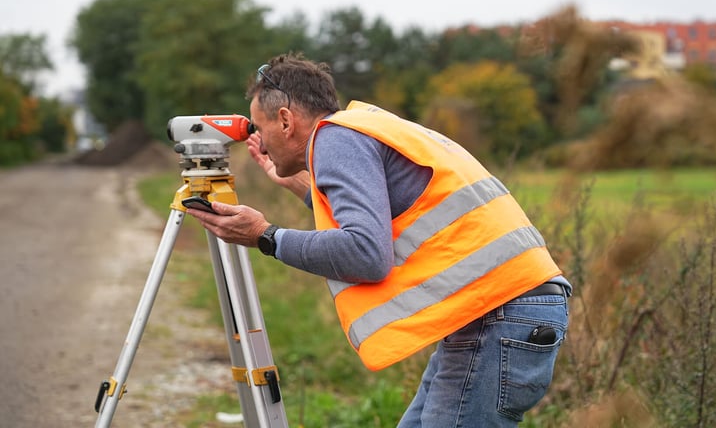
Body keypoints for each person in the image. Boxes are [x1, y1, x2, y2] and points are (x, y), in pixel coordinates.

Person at [187, 53, 572, 427]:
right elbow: (382, 213)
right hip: (500, 309)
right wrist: (301, 186)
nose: (260, 141)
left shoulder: (335, 140)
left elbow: (366, 254)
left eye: (260, 127)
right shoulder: (361, 126)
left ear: (286, 120)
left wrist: (266, 237)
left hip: (500, 315)